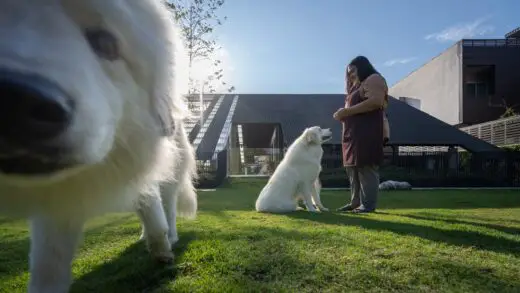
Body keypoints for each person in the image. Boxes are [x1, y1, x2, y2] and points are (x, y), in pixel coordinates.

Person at [333, 56, 388, 213]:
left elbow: (376, 101)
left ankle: (368, 205)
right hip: (352, 137)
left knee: (366, 168)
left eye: (353, 70)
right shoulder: (353, 89)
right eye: (348, 72)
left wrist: (346, 111)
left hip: (367, 133)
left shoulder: (374, 79)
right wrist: (342, 115)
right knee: (353, 170)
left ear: (363, 67)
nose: (350, 75)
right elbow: (354, 112)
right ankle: (355, 202)